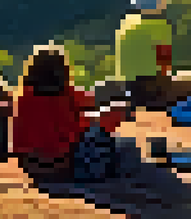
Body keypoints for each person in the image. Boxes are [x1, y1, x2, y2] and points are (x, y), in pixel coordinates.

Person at [10, 44, 129, 181]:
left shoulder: (22, 99)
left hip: (32, 168)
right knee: (110, 138)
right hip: (63, 167)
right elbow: (85, 118)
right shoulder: (68, 96)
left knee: (94, 130)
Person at [106, 0, 191, 110]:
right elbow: (164, 64)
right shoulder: (159, 26)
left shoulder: (126, 22)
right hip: (151, 91)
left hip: (127, 88)